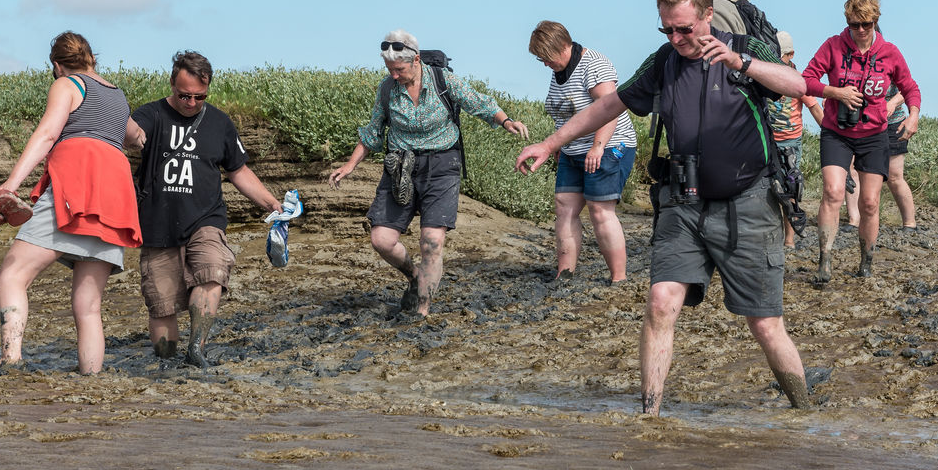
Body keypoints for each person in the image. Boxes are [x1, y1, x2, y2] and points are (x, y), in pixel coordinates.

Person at [516, 0, 811, 415]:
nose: (676, 38)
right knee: (660, 303)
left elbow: (797, 85)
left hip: (748, 203)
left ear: (707, 15)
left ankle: (805, 410)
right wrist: (550, 143)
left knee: (765, 323)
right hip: (684, 201)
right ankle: (649, 415)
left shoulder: (746, 48)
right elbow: (609, 105)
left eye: (684, 29)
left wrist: (739, 62)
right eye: (667, 30)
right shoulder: (663, 61)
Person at [330, 30, 530, 317]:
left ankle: (420, 310)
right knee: (381, 240)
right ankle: (414, 276)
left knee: (432, 243)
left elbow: (479, 102)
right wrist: (350, 165)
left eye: (399, 69)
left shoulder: (442, 81)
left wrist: (506, 121)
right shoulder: (387, 89)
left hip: (442, 167)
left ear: (416, 60)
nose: (394, 76)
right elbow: (374, 131)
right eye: (389, 70)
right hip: (400, 166)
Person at [0, 32, 143, 374]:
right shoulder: (118, 96)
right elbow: (136, 137)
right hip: (116, 197)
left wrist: (10, 186)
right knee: (88, 306)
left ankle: (10, 359)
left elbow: (47, 133)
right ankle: (91, 377)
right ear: (93, 59)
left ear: (57, 65)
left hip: (77, 187)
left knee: (12, 276)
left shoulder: (67, 84)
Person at [131, 51, 285, 367]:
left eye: (198, 97)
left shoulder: (219, 123)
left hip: (206, 219)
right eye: (183, 95)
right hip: (157, 226)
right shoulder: (151, 115)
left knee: (213, 270)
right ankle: (169, 364)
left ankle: (197, 349)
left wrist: (270, 202)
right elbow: (124, 134)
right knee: (162, 310)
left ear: (208, 89)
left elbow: (237, 170)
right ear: (171, 84)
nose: (190, 103)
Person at [802, 0, 921, 280]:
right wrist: (835, 93)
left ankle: (866, 262)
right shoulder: (833, 46)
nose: (860, 31)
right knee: (832, 191)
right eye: (855, 25)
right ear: (848, 22)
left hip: (874, 134)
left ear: (875, 22)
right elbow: (805, 80)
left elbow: (910, 88)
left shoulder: (890, 52)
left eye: (866, 25)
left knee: (869, 203)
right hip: (837, 132)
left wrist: (914, 115)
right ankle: (825, 261)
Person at [528, 21, 637, 284]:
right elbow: (565, 112)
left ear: (564, 46)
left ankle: (619, 278)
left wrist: (598, 146)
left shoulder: (593, 64)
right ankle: (564, 274)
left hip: (610, 145)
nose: (544, 63)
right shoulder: (558, 71)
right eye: (540, 59)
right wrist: (558, 146)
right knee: (564, 207)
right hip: (572, 151)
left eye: (546, 57)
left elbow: (611, 107)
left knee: (600, 210)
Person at [770, 30, 825, 248]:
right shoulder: (766, 77)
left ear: (791, 54)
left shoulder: (799, 81)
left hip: (790, 143)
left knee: (790, 189)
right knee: (765, 189)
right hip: (767, 141)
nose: (775, 60)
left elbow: (815, 108)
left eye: (780, 56)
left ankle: (789, 240)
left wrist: (831, 135)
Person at [883, 82, 919, 230]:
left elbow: (908, 89)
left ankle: (910, 224)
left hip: (893, 124)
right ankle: (855, 221)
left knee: (895, 176)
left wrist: (892, 103)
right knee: (856, 172)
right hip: (862, 124)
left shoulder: (892, 59)